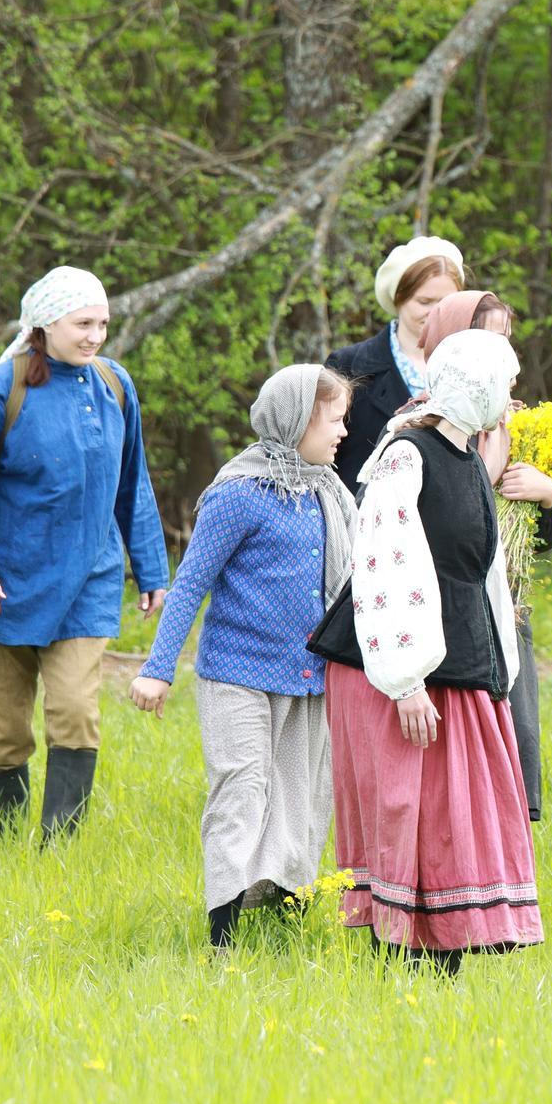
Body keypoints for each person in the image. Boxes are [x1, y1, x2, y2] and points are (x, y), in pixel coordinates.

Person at [324, 329, 543, 972]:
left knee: (454, 808)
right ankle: (397, 954)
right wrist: (406, 679)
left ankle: (449, 943)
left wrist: (500, 657)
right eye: (503, 387)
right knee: (410, 806)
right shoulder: (407, 454)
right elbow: (384, 566)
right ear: (473, 388)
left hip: (456, 656)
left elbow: (481, 570)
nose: (509, 401)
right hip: (399, 661)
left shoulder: (467, 454)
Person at [127, 366, 354, 950]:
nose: (344, 433)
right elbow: (191, 584)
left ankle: (284, 914)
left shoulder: (332, 494)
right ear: (297, 421)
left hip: (311, 677)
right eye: (334, 420)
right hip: (237, 674)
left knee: (301, 796)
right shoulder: (238, 494)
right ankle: (221, 930)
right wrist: (157, 670)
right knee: (242, 787)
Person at [0, 267, 170, 843]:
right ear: (45, 324)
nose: (95, 336)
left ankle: (58, 849)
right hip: (1, 586)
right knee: (6, 731)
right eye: (83, 323)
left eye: (103, 324)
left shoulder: (115, 385)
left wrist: (150, 566)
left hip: (88, 581)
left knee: (74, 711)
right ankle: (3, 842)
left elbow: (131, 482)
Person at [413, 289, 552, 821]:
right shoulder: (420, 429)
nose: (501, 352)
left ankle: (506, 850)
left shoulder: (513, 425)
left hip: (504, 609)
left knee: (510, 740)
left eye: (505, 338)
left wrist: (547, 495)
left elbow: (541, 541)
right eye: (486, 337)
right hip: (442, 611)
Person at [326, 235, 466, 482]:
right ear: (398, 299)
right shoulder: (349, 366)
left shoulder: (473, 369)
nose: (435, 312)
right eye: (424, 301)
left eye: (446, 303)